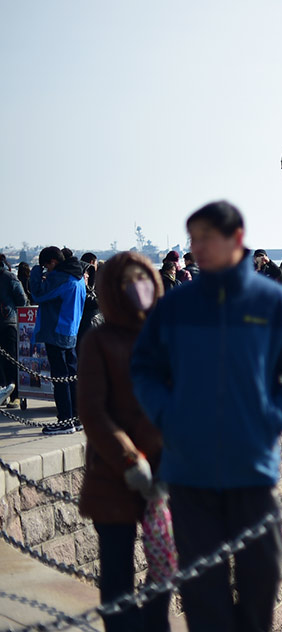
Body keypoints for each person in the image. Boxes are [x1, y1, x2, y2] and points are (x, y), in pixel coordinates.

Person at [131, 201, 282, 632]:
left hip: (251, 466)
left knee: (261, 575)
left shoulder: (273, 304)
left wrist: (272, 417)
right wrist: (167, 414)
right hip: (189, 470)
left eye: (204, 238)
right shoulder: (176, 306)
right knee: (201, 590)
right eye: (191, 239)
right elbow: (143, 368)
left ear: (236, 239)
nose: (195, 248)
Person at [77, 251, 171, 632]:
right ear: (112, 290)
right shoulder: (98, 340)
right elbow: (93, 412)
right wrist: (131, 459)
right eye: (129, 281)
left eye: (144, 278)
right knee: (117, 565)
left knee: (165, 560)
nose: (139, 288)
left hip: (166, 467)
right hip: (113, 470)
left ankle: (154, 623)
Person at [30, 246, 86, 433]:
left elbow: (38, 294)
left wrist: (36, 272)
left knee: (60, 379)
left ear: (53, 261)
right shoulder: (78, 277)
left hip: (56, 332)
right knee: (71, 377)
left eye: (46, 266)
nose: (47, 270)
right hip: (71, 331)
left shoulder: (60, 277)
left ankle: (64, 421)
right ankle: (76, 418)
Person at [0, 255, 28, 407]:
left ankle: (15, 395)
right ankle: (3, 392)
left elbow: (22, 300)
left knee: (11, 360)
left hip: (8, 324)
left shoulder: (9, 277)